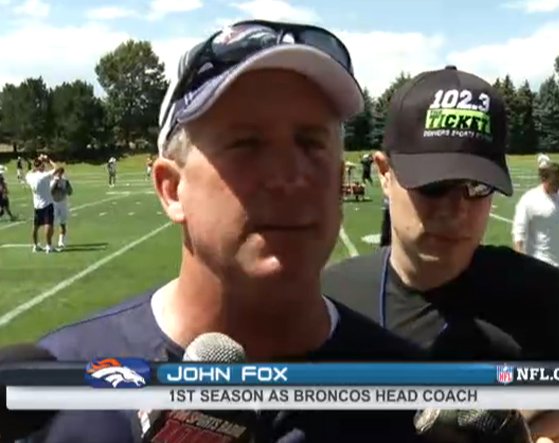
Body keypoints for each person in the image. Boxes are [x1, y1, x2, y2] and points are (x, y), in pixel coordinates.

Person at [31, 20, 423, 443]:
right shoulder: (60, 393)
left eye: (312, 143)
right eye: (246, 144)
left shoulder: (414, 398)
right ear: (172, 189)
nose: (289, 177)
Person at [322, 66, 559, 443]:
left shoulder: (547, 301)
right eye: (434, 184)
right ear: (384, 173)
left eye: (477, 186)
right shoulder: (329, 301)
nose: (457, 210)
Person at [512, 161, 559, 271]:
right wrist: (519, 260)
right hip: (537, 264)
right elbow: (519, 232)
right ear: (544, 179)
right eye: (555, 182)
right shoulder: (529, 199)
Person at [25, 155, 57, 253]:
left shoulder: (30, 176)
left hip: (37, 205)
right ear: (41, 166)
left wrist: (38, 162)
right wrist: (48, 160)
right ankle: (48, 246)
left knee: (36, 226)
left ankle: (35, 245)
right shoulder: (43, 176)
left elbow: (30, 172)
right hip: (47, 203)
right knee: (48, 224)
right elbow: (56, 168)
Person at [50, 167, 73, 250]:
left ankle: (61, 241)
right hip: (53, 203)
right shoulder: (51, 180)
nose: (59, 175)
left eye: (61, 173)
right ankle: (50, 242)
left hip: (63, 202)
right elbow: (49, 192)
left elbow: (70, 192)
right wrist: (55, 183)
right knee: (51, 224)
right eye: (58, 173)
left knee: (62, 223)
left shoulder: (65, 181)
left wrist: (65, 188)